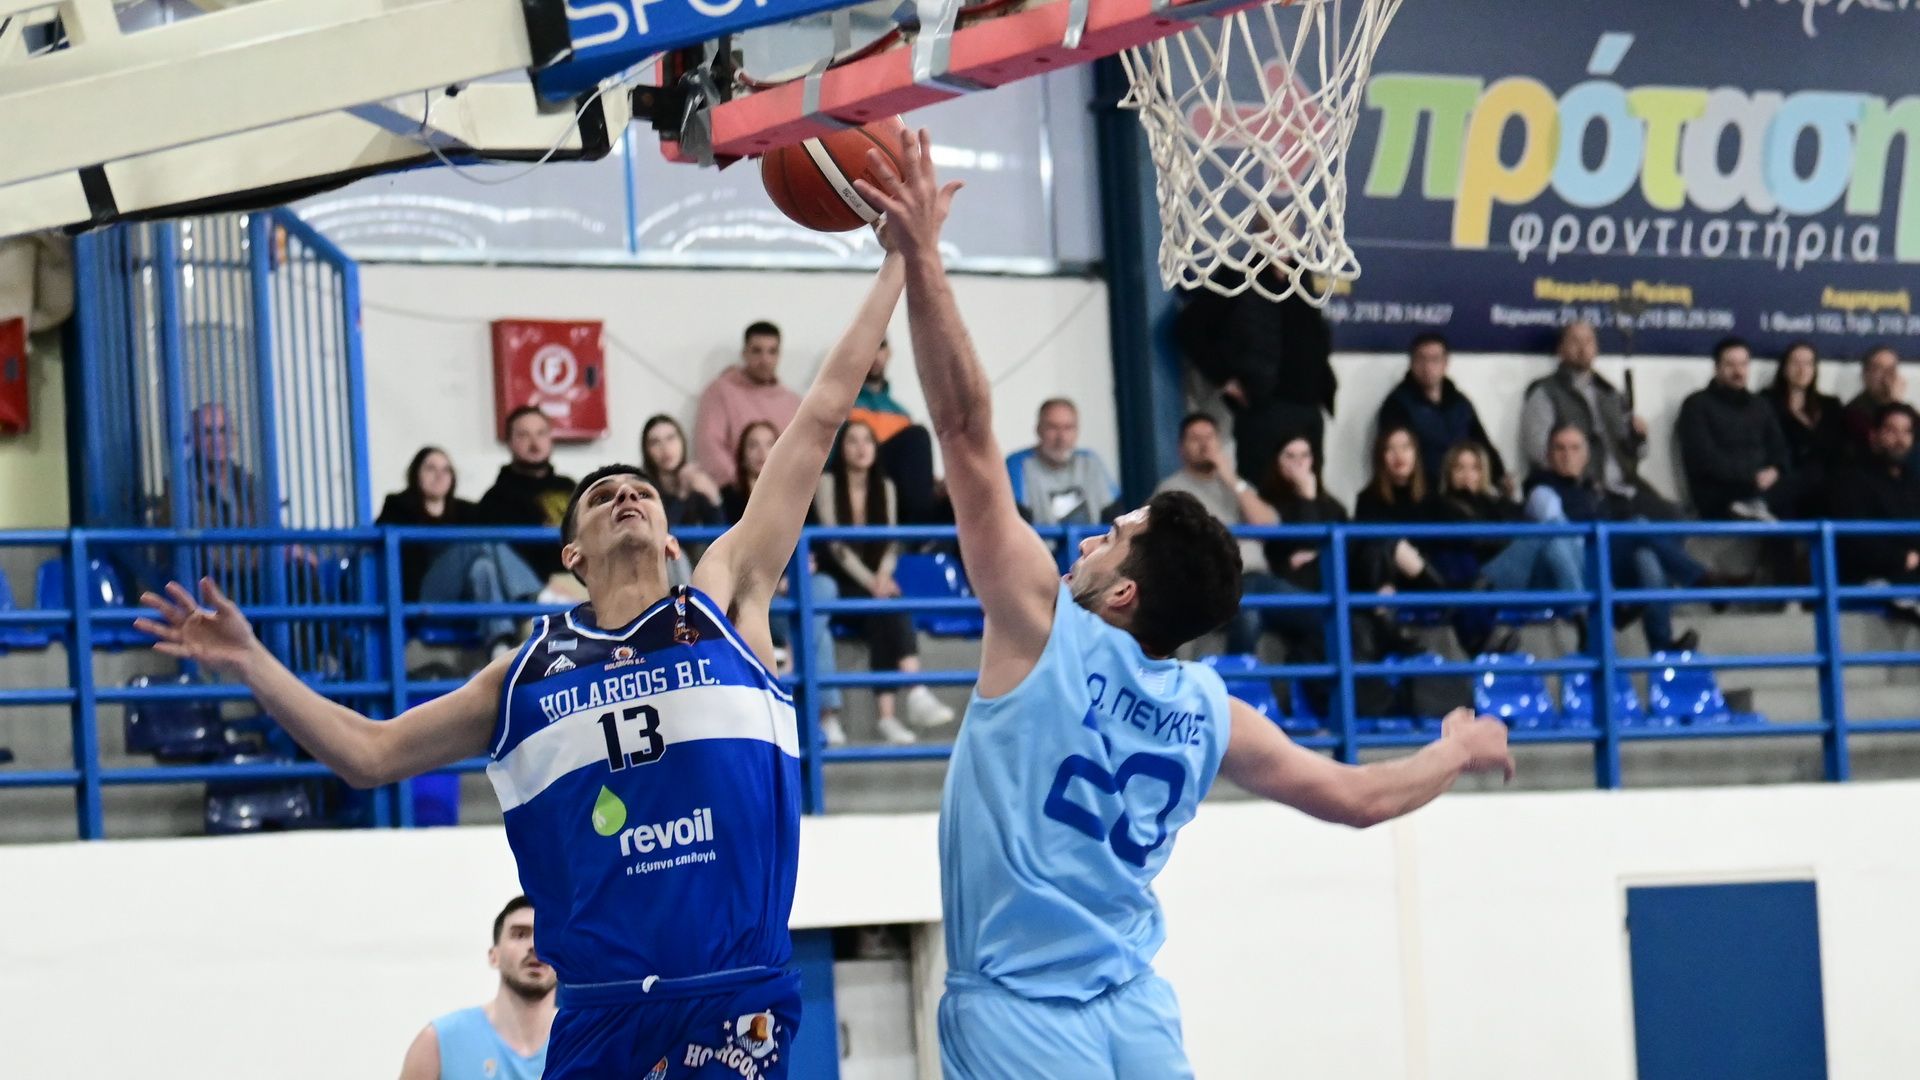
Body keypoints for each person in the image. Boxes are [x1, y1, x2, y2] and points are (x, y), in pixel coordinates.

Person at [137, 248, 911, 1079]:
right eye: (604, 496)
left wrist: (900, 261)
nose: (627, 496)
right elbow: (369, 754)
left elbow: (820, 417)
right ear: (573, 554)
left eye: (642, 492)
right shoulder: (525, 676)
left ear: (671, 537)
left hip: (729, 996)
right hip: (600, 1014)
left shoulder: (725, 601)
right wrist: (253, 661)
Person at [854, 125, 1514, 1079]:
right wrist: (1455, 749)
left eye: (1111, 536)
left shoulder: (1041, 628)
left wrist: (922, 255)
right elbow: (1359, 799)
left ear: (1124, 592)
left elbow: (961, 429)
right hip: (1134, 1007)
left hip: (1020, 1012)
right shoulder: (1211, 710)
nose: (1090, 537)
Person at [815, 420, 955, 743]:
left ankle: (891, 715)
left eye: (867, 441)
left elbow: (891, 541)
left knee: (886, 609)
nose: (861, 448)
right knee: (884, 605)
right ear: (841, 449)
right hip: (840, 580)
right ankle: (913, 692)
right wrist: (872, 582)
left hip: (873, 581)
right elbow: (836, 547)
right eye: (852, 441)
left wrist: (882, 577)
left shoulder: (886, 486)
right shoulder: (827, 482)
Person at [1525, 424, 1702, 654]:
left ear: (1586, 455)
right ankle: (1698, 578)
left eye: (1575, 448)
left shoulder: (1593, 490)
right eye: (1560, 448)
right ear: (1548, 455)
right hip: (1569, 569)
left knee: (1645, 555)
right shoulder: (1541, 489)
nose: (1567, 456)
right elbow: (1561, 537)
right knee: (1639, 526)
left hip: (1601, 560)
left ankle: (1662, 646)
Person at [377, 447, 545, 654]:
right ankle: (535, 596)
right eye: (430, 468)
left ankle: (499, 644)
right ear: (416, 474)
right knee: (475, 540)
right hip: (424, 598)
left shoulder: (466, 511)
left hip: (465, 600)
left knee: (482, 567)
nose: (439, 475)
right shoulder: (397, 508)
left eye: (446, 470)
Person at [1174, 264, 1337, 479]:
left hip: (1309, 406)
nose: (1283, 246)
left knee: (1309, 487)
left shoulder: (1302, 279)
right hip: (1264, 408)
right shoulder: (1239, 277)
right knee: (1261, 487)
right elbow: (1190, 327)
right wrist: (1222, 377)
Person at [1431, 442, 1586, 653]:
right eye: (1460, 468)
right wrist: (1511, 537)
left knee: (1556, 538)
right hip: (1484, 579)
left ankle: (1582, 615)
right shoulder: (1442, 505)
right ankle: (1584, 615)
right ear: (1449, 473)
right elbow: (1475, 541)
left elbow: (1520, 522)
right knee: (1550, 528)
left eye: (1474, 468)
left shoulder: (1494, 501)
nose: (1468, 474)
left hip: (1519, 575)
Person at [1518, 321, 1677, 519]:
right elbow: (1537, 452)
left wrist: (1640, 438)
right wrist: (1574, 474)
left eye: (1588, 341)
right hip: (1578, 489)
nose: (1582, 348)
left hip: (1623, 487)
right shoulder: (1545, 392)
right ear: (1560, 349)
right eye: (1575, 341)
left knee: (1673, 516)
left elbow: (1636, 453)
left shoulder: (1610, 393)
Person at [1152, 413, 1278, 654]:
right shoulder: (1171, 490)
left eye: (1209, 437)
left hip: (1258, 578)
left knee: (1318, 615)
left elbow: (1269, 527)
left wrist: (1230, 479)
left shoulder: (1237, 485)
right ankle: (1236, 678)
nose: (1204, 444)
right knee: (1248, 617)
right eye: (1195, 438)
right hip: (1214, 580)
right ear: (1181, 448)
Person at [399, 896, 555, 1080]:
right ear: (494, 956)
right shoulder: (438, 1042)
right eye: (520, 935)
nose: (535, 946)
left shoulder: (580, 1043)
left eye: (547, 935)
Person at [1676, 337, 1792, 521]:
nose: (1738, 371)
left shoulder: (1761, 405)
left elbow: (1779, 448)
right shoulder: (1696, 405)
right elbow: (1704, 460)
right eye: (1730, 365)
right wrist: (1752, 477)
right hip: (1719, 493)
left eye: (1743, 364)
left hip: (1762, 488)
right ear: (1717, 368)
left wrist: (1774, 470)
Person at [1375, 333, 1508, 492]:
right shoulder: (1396, 405)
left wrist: (1500, 476)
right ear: (1411, 363)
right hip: (1421, 493)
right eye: (1421, 359)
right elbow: (1393, 458)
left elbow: (1480, 443)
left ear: (1445, 363)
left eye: (1435, 359)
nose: (1428, 367)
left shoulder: (1460, 403)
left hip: (1462, 490)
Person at [1830, 403, 1920, 623]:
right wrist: (1902, 558)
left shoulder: (1913, 482)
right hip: (1868, 575)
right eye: (1891, 430)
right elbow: (1855, 539)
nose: (1900, 439)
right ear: (1874, 435)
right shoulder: (1851, 480)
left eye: (1906, 432)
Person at [694, 320, 803, 487]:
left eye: (772, 351)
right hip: (734, 492)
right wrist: (743, 486)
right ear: (744, 353)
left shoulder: (792, 401)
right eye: (757, 351)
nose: (765, 359)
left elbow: (800, 452)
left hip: (784, 492)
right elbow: (710, 446)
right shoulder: (720, 391)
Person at [477, 407, 577, 584]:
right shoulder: (496, 498)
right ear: (509, 442)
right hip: (529, 590)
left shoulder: (569, 487)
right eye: (523, 435)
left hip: (578, 582)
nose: (534, 442)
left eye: (541, 433)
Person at [850, 337, 942, 523]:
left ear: (888, 353)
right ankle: (918, 530)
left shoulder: (901, 413)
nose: (875, 354)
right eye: (868, 346)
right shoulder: (843, 408)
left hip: (899, 491)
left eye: (880, 346)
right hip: (862, 481)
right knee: (918, 436)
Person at [1005, 398, 1119, 526]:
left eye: (1068, 428)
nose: (1061, 437)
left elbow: (1115, 516)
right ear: (1038, 429)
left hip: (1093, 540)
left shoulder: (1090, 462)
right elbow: (1014, 523)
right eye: (1053, 427)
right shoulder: (1019, 465)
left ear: (1077, 431)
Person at [1764, 340, 1847, 487]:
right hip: (1785, 478)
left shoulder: (1831, 405)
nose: (1802, 370)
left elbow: (1839, 449)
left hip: (1828, 481)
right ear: (1784, 368)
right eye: (1795, 363)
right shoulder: (1767, 403)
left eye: (1808, 364)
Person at [639, 414, 723, 530]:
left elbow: (720, 533)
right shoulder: (643, 489)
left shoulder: (695, 479)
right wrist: (682, 494)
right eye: (655, 442)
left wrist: (714, 499)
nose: (665, 448)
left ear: (682, 442)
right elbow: (663, 532)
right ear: (646, 451)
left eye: (671, 438)